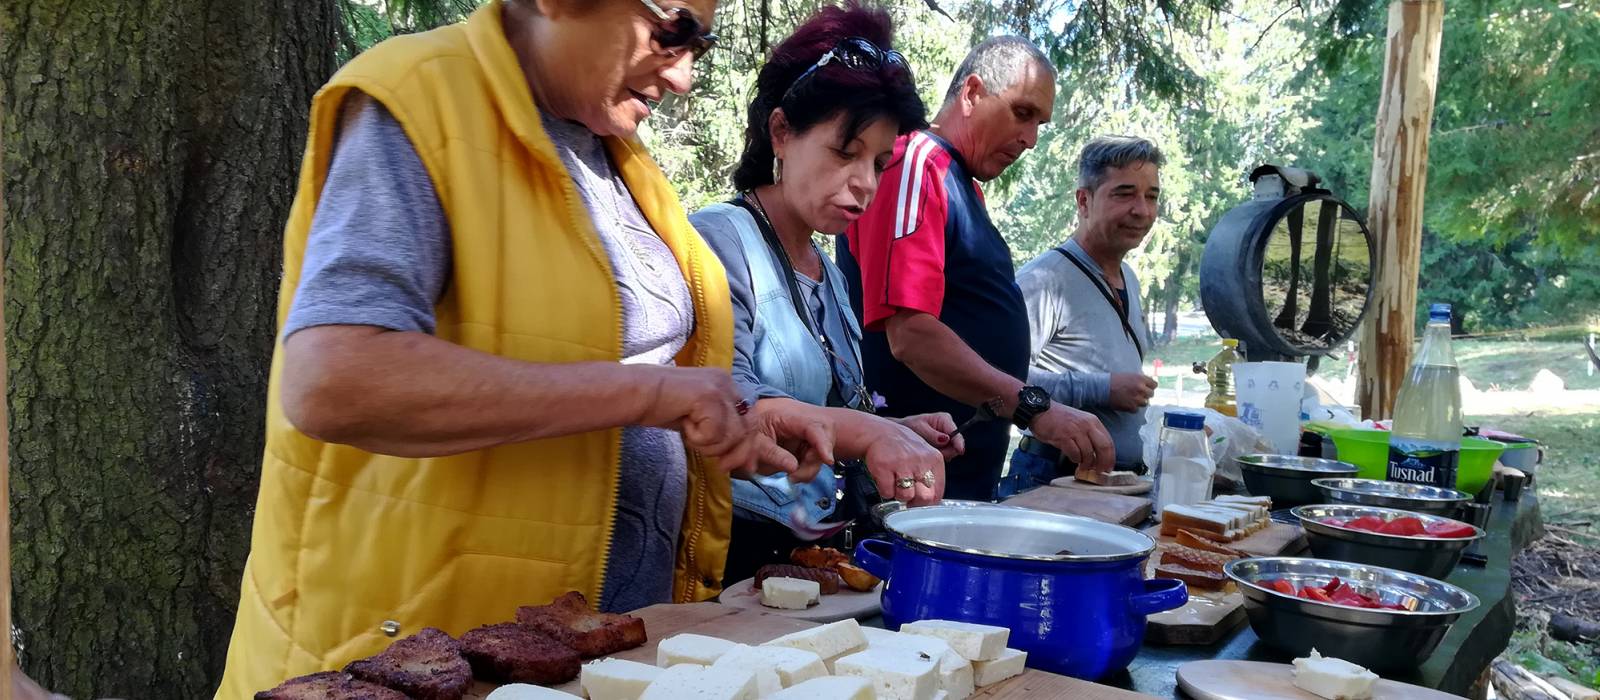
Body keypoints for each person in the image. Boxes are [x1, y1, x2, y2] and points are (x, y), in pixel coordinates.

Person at [217, 1, 837, 694]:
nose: (686, 74)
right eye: (674, 28)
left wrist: (740, 417)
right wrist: (650, 396)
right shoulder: (421, 100)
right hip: (422, 657)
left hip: (575, 656)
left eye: (704, 41)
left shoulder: (614, 152)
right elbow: (336, 378)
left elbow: (623, 358)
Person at [690, 3, 960, 584]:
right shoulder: (716, 241)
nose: (866, 182)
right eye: (846, 152)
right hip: (732, 565)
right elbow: (726, 401)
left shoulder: (831, 272)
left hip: (812, 559)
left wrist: (898, 429)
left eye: (881, 162)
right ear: (782, 132)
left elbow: (831, 411)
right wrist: (873, 433)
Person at [838, 36, 1114, 502]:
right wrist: (1034, 407)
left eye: (1040, 124)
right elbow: (909, 334)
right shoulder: (914, 164)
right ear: (971, 94)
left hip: (955, 474)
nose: (1030, 140)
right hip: (912, 482)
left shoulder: (957, 180)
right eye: (1022, 113)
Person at [1006, 136, 1164, 495]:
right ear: (1084, 200)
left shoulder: (1130, 280)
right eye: (1124, 194)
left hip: (1115, 484)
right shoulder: (1045, 281)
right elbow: (1000, 378)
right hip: (1053, 477)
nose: (1142, 210)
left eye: (1151, 196)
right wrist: (1102, 388)